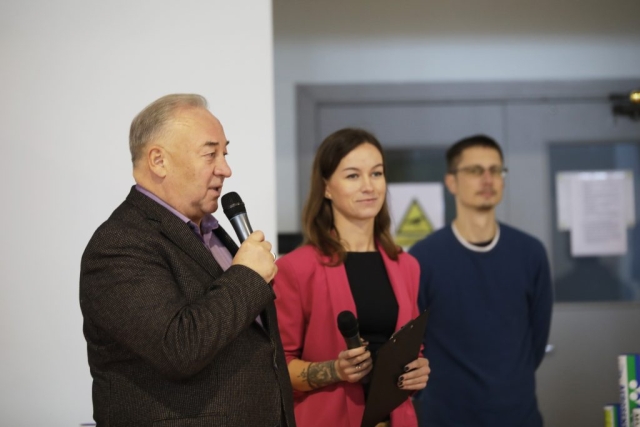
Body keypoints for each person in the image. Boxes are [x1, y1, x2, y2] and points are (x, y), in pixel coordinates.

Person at [79, 94, 295, 426]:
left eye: (225, 153)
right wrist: (248, 276)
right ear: (158, 161)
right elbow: (177, 348)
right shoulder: (119, 243)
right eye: (210, 154)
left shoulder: (211, 233)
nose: (225, 169)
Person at [273, 128, 430, 427]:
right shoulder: (296, 268)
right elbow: (279, 367)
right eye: (353, 175)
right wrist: (335, 370)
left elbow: (411, 350)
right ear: (326, 188)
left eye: (376, 173)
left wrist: (418, 370)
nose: (369, 186)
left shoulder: (407, 265)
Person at [409, 135, 553, 426]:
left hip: (518, 417)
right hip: (446, 418)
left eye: (495, 170)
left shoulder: (530, 253)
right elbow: (412, 346)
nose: (488, 179)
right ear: (451, 182)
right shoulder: (423, 258)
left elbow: (536, 344)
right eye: (475, 170)